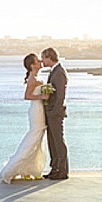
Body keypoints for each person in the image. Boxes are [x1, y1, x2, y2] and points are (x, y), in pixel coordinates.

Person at [0, 53, 47, 183]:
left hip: (39, 109)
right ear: (32, 65)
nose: (40, 61)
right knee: (34, 137)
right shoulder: (33, 79)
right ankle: (12, 169)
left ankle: (29, 170)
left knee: (37, 139)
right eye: (37, 61)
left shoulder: (36, 77)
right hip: (36, 110)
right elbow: (27, 96)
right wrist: (42, 97)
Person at [41, 46, 69, 180]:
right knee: (52, 142)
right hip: (51, 112)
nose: (42, 61)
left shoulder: (59, 72)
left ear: (49, 57)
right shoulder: (54, 71)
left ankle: (62, 171)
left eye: (43, 58)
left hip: (55, 113)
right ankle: (55, 169)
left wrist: (54, 112)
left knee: (58, 142)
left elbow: (60, 96)